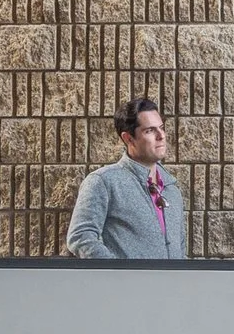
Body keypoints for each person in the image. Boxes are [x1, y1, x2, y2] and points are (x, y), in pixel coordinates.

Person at [66, 97, 188, 260]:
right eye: (149, 131)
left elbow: (180, 251)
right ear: (128, 138)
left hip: (172, 278)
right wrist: (120, 272)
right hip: (123, 277)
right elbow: (81, 237)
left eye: (161, 128)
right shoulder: (103, 182)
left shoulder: (172, 190)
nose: (161, 136)